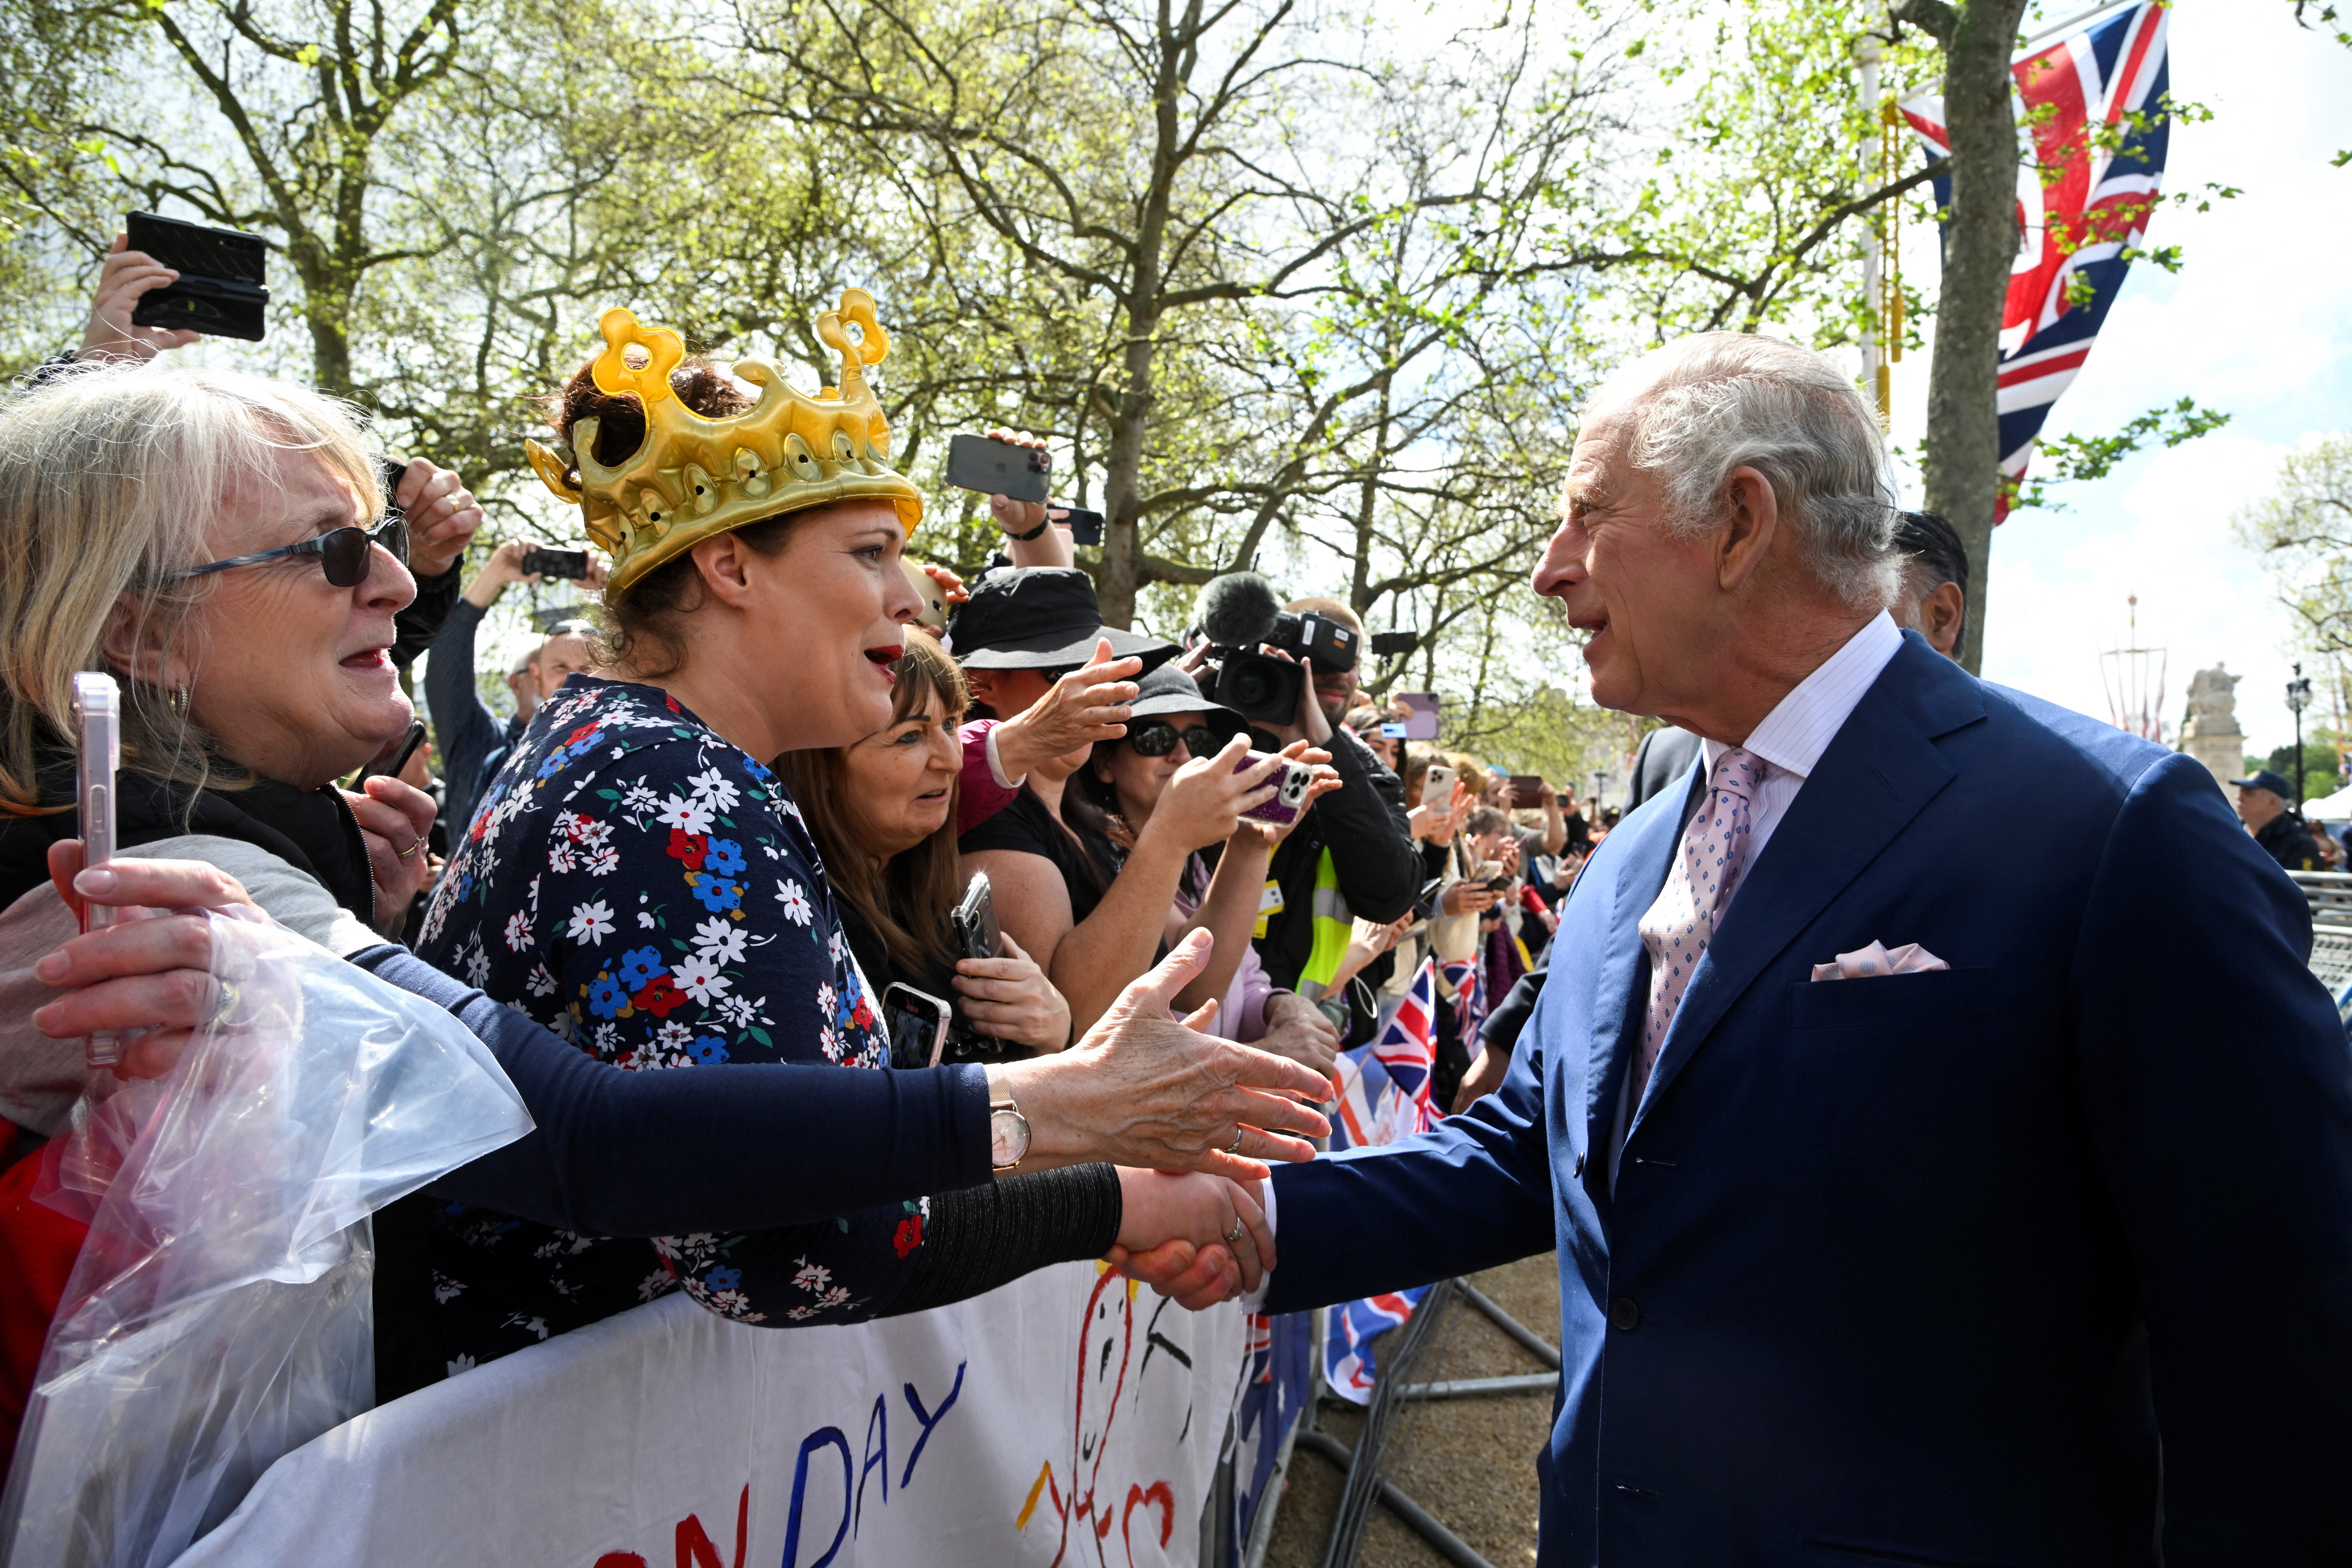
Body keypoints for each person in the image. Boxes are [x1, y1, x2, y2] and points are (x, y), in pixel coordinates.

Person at [1128, 330, 2352, 1561]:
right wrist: (1261, 1216)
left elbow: (2277, 1344)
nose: (1550, 571)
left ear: (1739, 523)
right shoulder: (1636, 853)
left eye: (1585, 517)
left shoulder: (2114, 831)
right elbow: (1533, 1148)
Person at [0, 354, 1327, 1415]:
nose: (403, 581)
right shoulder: (654, 779)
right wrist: (1078, 1133)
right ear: (729, 565)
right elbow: (765, 1227)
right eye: (334, 552)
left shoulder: (630, 755)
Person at [774, 634, 1070, 1052]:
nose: (951, 760)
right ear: (819, 763)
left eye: (951, 724)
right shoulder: (806, 926)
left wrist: (1053, 1028)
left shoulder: (930, 902)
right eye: (910, 736)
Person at [1063, 664, 1344, 1069]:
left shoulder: (1196, 859)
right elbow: (1186, 993)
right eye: (1155, 738)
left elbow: (1238, 977)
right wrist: (1270, 1055)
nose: (1182, 754)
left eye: (1198, 739)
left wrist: (1277, 1005)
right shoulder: (1094, 861)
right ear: (1105, 763)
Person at [1246, 596, 1424, 1000]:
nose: (1339, 672)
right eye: (1322, 654)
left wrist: (1325, 746)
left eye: (1351, 660)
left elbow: (1390, 896)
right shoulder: (1225, 734)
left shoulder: (1372, 773)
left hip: (1294, 1015)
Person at [423, 536, 608, 842]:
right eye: (560, 668)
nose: (575, 680)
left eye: (588, 669)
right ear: (536, 677)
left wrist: (615, 591)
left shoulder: (621, 748)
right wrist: (495, 574)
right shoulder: (482, 745)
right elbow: (447, 660)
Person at [2233, 767, 2320, 871]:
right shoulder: (2232, 833)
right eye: (2240, 792)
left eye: (2249, 793)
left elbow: (2304, 886)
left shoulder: (2299, 844)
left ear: (2273, 802)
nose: (2239, 797)